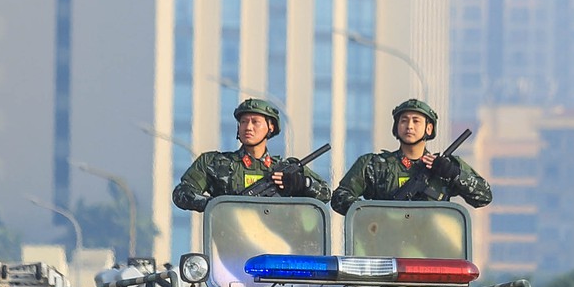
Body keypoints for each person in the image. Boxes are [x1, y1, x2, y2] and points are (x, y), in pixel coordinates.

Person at [331, 99, 492, 213]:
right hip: (383, 244)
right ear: (396, 127)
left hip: (431, 247)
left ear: (429, 129)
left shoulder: (444, 166)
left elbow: (484, 196)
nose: (409, 126)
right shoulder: (375, 166)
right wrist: (371, 213)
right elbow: (340, 197)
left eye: (416, 121)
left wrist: (454, 173)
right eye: (404, 121)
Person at [171, 97, 330, 210]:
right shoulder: (214, 163)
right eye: (243, 122)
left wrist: (302, 184)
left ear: (271, 127)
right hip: (228, 242)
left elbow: (326, 194)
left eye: (255, 122)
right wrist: (217, 206)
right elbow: (182, 193)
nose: (248, 127)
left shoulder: (286, 168)